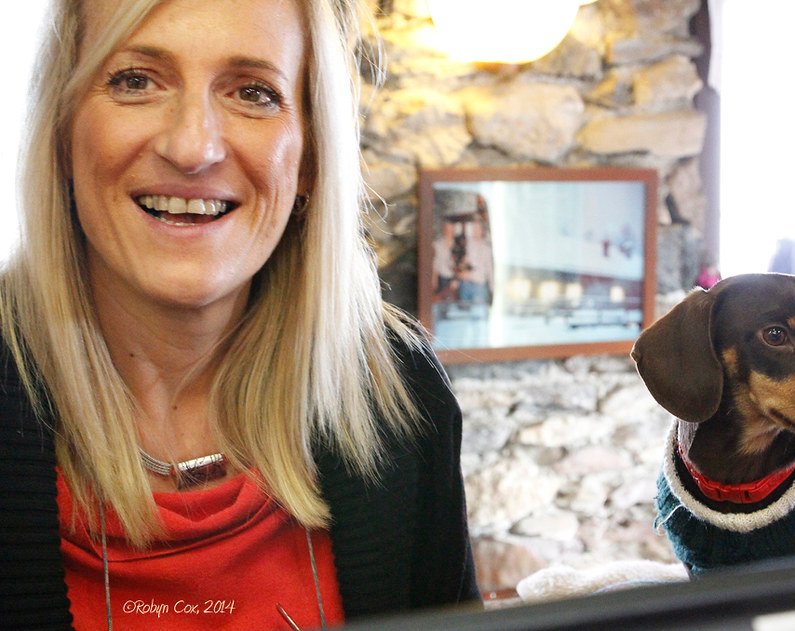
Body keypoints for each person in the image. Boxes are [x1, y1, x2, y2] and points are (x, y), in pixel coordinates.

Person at [0, 0, 479, 628]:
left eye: (253, 92)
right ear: (62, 132)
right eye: (135, 81)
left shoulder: (397, 395)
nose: (192, 147)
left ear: (310, 155)